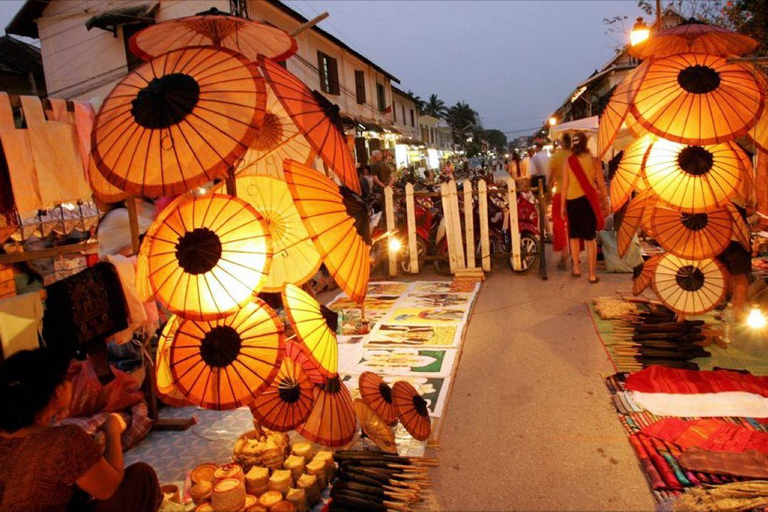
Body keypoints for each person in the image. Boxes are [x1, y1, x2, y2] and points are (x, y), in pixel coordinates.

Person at [0, 348, 163, 512]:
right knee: (141, 477)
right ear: (57, 391)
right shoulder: (65, 440)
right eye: (66, 378)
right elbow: (108, 487)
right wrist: (112, 429)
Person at [560, 131, 608, 283]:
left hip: (572, 201)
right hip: (588, 201)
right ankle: (592, 275)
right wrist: (605, 202)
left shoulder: (568, 161)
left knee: (573, 236)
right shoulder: (594, 160)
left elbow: (565, 185)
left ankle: (576, 268)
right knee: (590, 238)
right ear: (586, 144)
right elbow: (601, 184)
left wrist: (562, 206)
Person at [549, 134, 572, 268]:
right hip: (574, 194)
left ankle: (564, 250)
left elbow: (551, 178)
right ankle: (575, 256)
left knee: (558, 223)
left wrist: (546, 193)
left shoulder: (556, 157)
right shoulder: (575, 156)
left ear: (561, 143)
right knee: (572, 224)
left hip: (559, 193)